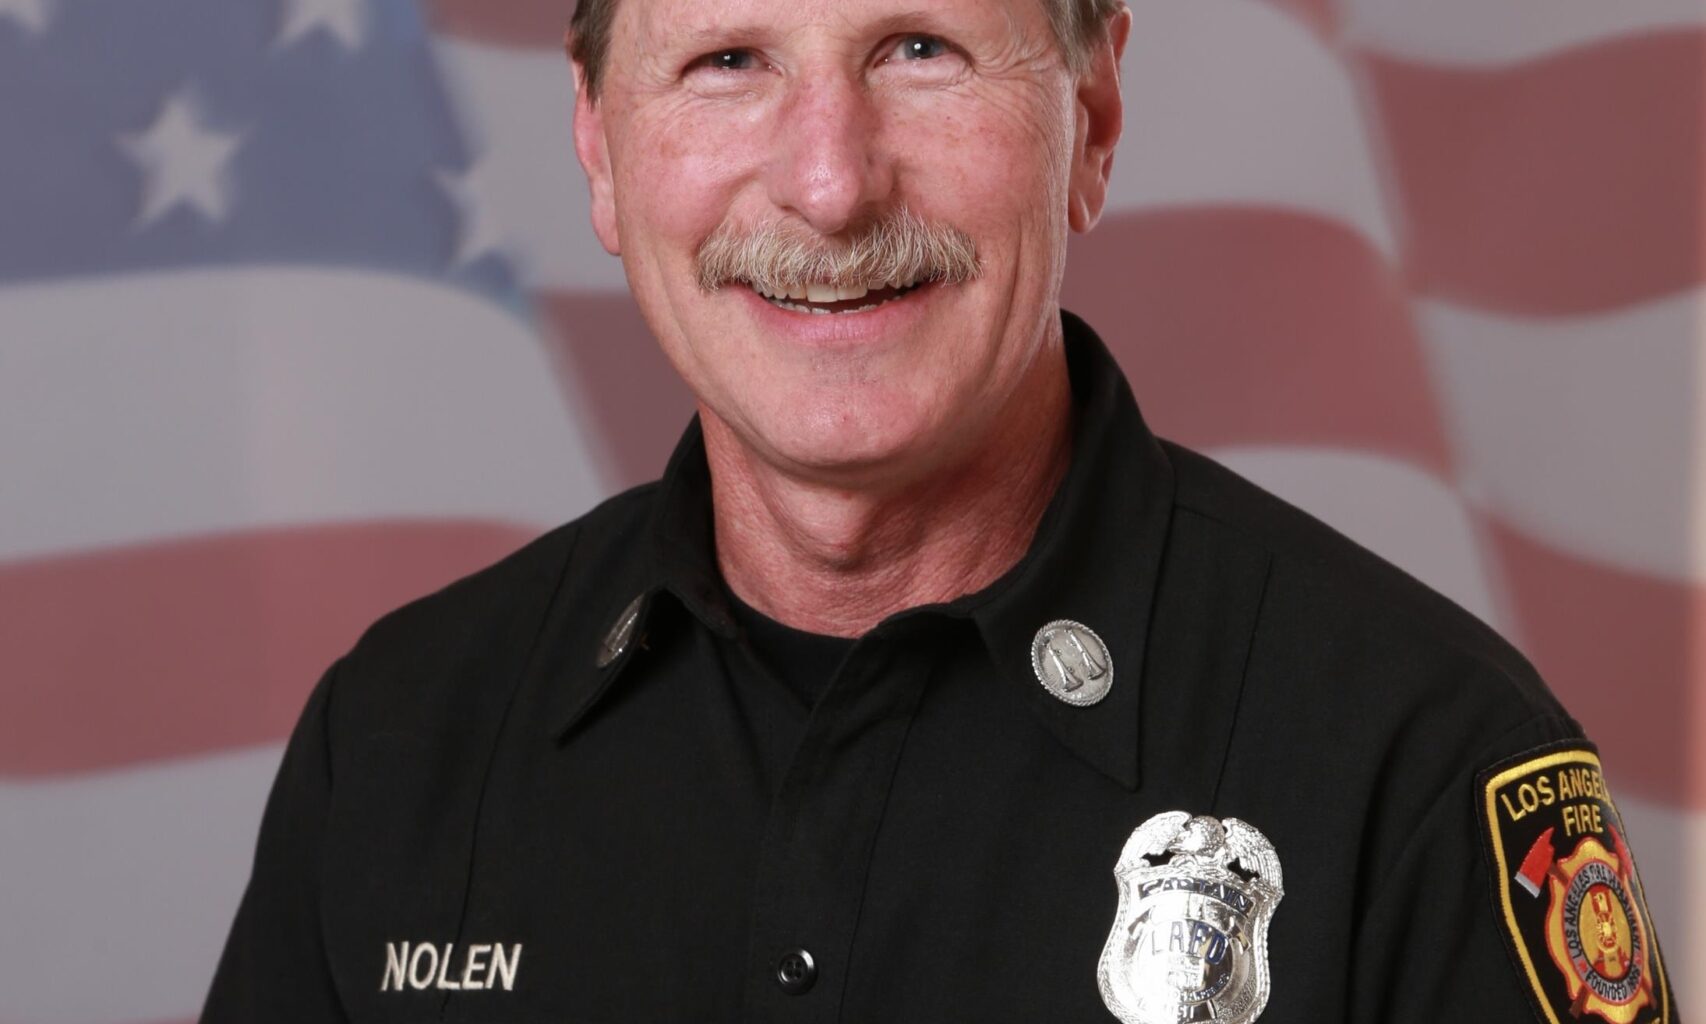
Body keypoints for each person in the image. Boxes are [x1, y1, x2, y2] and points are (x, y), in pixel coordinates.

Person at [203, 0, 1680, 1019]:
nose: (830, 185)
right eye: (726, 59)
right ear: (598, 148)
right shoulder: (395, 749)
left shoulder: (1418, 767)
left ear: (1088, 120)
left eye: (919, 47)